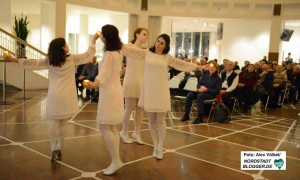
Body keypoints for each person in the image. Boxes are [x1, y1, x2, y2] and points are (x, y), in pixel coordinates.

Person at [3, 34, 98, 161]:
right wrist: (93, 40)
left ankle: (53, 149)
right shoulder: (72, 59)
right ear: (63, 48)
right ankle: (59, 147)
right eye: (66, 44)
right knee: (63, 122)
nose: (68, 46)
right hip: (68, 96)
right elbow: (88, 55)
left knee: (54, 121)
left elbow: (32, 63)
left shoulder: (50, 61)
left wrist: (13, 59)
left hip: (55, 95)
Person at [122, 34, 203, 160]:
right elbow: (131, 51)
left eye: (162, 43)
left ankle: (160, 147)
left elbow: (181, 64)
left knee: (161, 120)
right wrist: (115, 41)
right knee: (151, 121)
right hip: (149, 90)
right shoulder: (146, 53)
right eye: (158, 41)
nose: (158, 44)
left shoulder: (167, 57)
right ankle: (155, 145)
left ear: (166, 46)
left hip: (161, 91)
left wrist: (200, 66)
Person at [83, 25, 124, 175]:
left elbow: (104, 73)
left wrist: (94, 83)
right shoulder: (118, 52)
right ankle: (116, 159)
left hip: (109, 93)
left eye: (102, 33)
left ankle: (116, 160)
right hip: (115, 91)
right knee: (112, 127)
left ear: (105, 37)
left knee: (104, 127)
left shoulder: (109, 54)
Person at [120, 27, 148, 144]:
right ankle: (124, 131)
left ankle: (137, 132)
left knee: (140, 109)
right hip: (131, 80)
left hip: (141, 81)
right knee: (129, 108)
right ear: (137, 34)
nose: (146, 37)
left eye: (147, 35)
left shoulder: (145, 51)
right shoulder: (129, 47)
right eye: (144, 34)